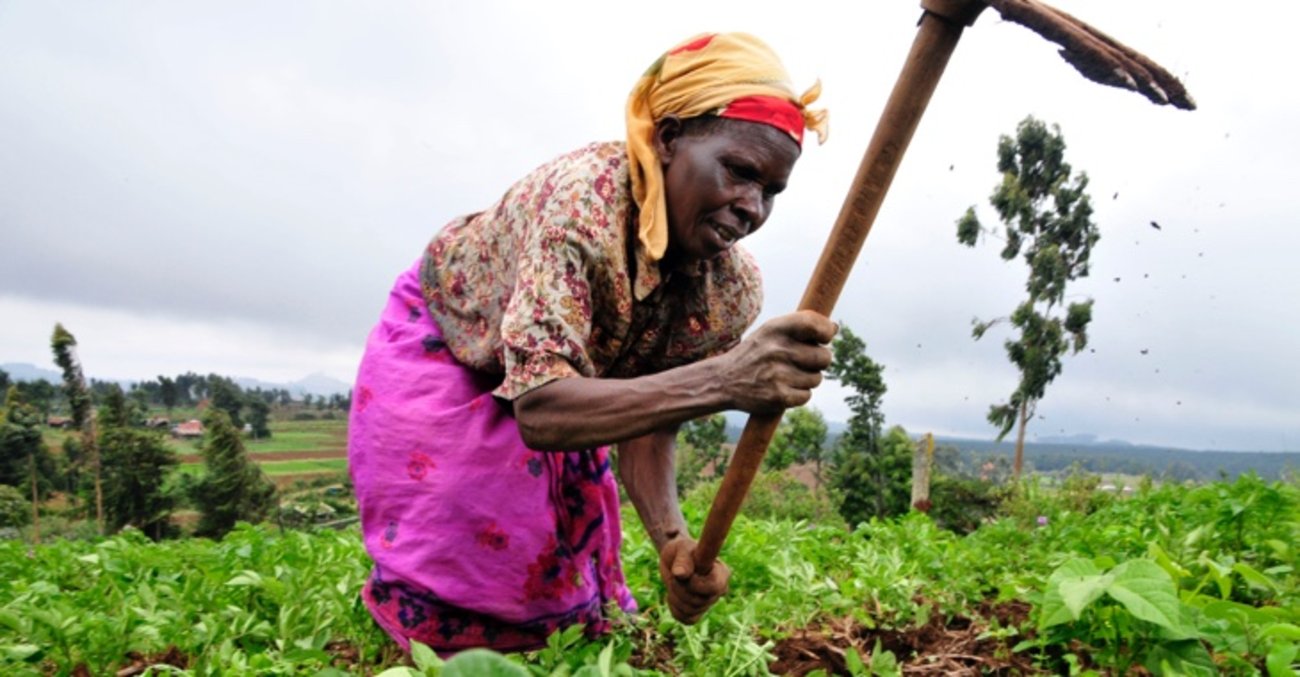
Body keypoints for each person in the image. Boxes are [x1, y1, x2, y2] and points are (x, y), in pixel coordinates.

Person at [348, 32, 836, 654]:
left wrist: (672, 544)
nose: (752, 208)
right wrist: (726, 380)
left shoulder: (728, 290)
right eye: (739, 172)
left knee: (553, 584)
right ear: (668, 138)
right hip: (454, 337)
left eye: (771, 190)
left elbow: (651, 418)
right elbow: (543, 410)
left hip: (565, 372)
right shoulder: (581, 208)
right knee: (464, 528)